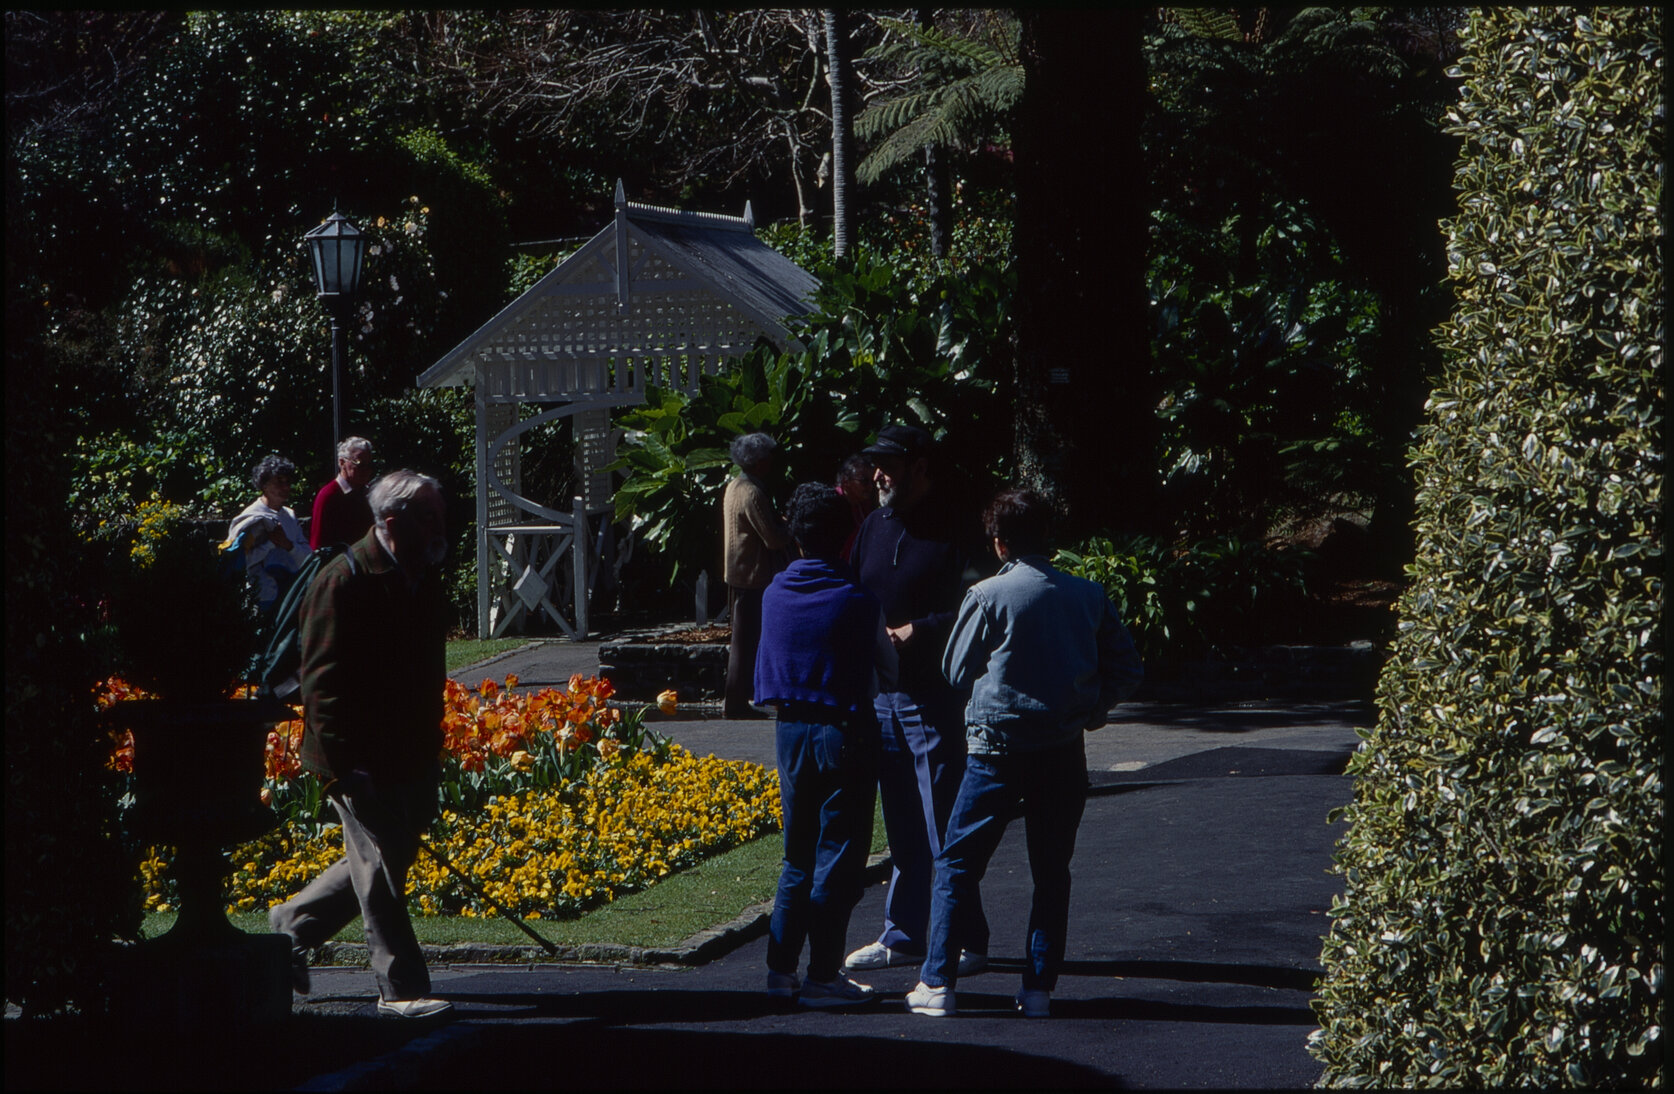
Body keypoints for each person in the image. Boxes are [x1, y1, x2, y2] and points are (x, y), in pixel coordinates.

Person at [906, 489, 1143, 1020]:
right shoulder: (1087, 594)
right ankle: (1037, 988)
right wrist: (1092, 709)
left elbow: (954, 669)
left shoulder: (988, 594)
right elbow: (1128, 668)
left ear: (999, 541)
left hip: (996, 748)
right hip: (1062, 747)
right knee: (1051, 870)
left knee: (958, 864)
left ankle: (937, 981)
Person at [268, 470, 454, 1019]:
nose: (440, 527)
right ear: (392, 522)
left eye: (438, 514)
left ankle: (292, 924)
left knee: (391, 853)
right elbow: (321, 684)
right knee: (377, 864)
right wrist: (345, 765)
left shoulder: (421, 576)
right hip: (358, 756)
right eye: (428, 516)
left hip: (408, 750)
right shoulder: (342, 580)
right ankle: (401, 989)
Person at [844, 424, 991, 977]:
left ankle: (968, 939)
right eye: (875, 463)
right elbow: (854, 590)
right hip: (881, 696)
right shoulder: (873, 527)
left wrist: (921, 629)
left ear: (921, 468)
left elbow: (980, 607)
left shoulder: (956, 528)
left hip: (934, 695)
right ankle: (904, 934)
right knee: (902, 824)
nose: (877, 474)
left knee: (945, 823)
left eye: (889, 464)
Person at [755, 482, 898, 1008]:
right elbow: (889, 669)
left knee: (797, 855)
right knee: (838, 855)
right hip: (845, 730)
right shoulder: (859, 600)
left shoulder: (774, 594)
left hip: (790, 729)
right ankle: (822, 974)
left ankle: (780, 971)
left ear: (793, 535)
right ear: (847, 537)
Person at [721, 432, 792, 718]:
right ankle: (737, 704)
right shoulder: (752, 493)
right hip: (753, 576)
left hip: (739, 572)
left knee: (743, 640)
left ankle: (738, 702)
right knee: (747, 642)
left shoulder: (734, 485)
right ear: (759, 462)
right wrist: (790, 528)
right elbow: (773, 539)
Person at [227, 454, 312, 614]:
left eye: (288, 482)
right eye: (279, 481)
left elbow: (309, 557)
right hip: (261, 600)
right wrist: (269, 545)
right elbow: (239, 562)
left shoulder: (290, 516)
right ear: (264, 484)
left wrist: (289, 546)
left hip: (291, 599)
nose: (285, 487)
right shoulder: (249, 517)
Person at [310, 436, 376, 550]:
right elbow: (318, 544)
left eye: (369, 465)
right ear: (342, 462)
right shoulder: (329, 495)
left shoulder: (368, 494)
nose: (366, 470)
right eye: (359, 463)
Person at [835, 453, 876, 562]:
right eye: (864, 481)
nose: (870, 486)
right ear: (846, 482)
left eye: (872, 481)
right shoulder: (833, 505)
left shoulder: (864, 503)